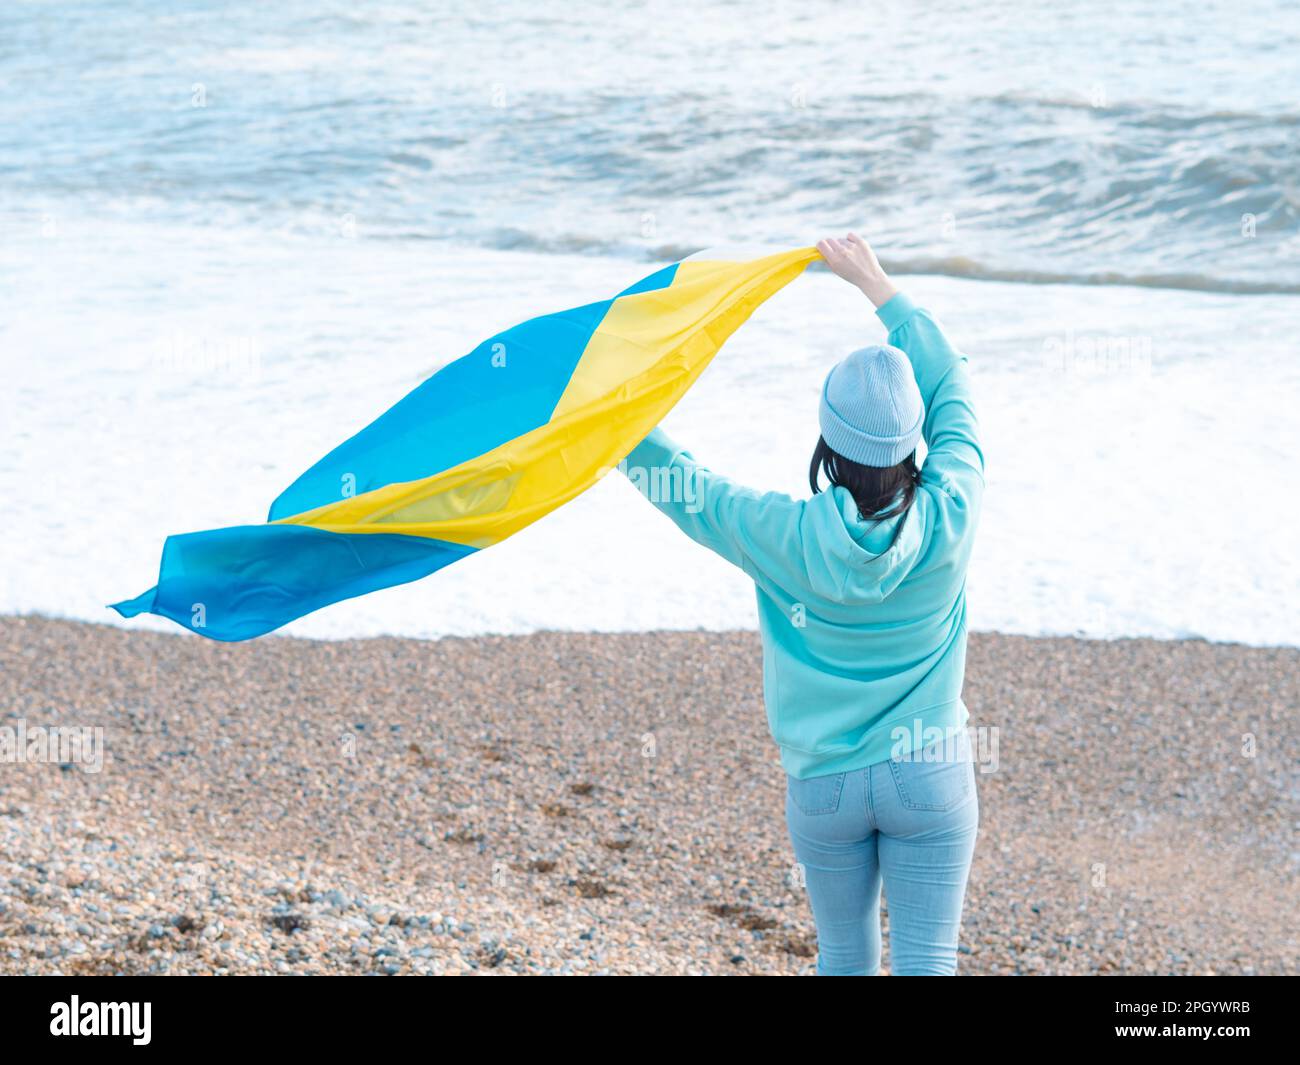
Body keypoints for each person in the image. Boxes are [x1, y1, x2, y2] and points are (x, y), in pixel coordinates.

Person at [622, 233, 985, 975]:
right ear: (914, 441)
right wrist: (875, 283)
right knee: (929, 959)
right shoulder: (951, 510)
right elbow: (955, 387)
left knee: (844, 956)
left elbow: (686, 488)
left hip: (826, 784)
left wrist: (609, 409)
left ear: (828, 440)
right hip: (929, 772)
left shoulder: (781, 534)